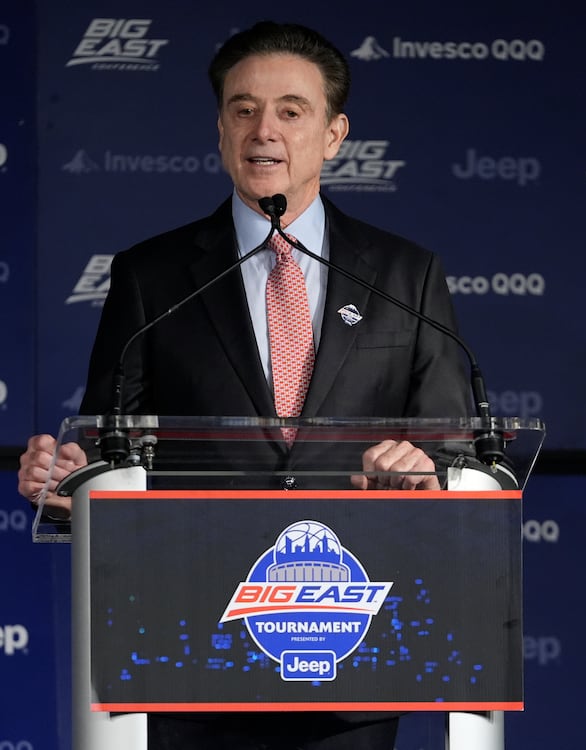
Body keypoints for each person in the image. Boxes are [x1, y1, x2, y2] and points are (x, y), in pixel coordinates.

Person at [18, 20, 472, 749]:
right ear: (221, 130)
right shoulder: (151, 275)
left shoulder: (401, 274)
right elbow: (112, 448)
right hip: (191, 649)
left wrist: (433, 467)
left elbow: (456, 447)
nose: (265, 130)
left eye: (291, 111)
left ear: (333, 133)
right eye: (243, 109)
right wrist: (72, 483)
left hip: (347, 649)